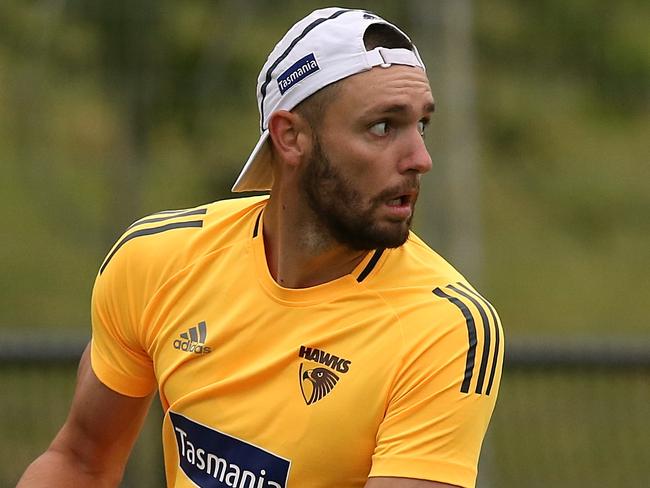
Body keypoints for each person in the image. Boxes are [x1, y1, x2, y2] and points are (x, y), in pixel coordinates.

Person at [18, 7, 503, 488]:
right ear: (290, 136)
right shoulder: (158, 259)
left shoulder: (445, 329)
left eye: (422, 125)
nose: (421, 159)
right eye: (383, 127)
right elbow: (80, 462)